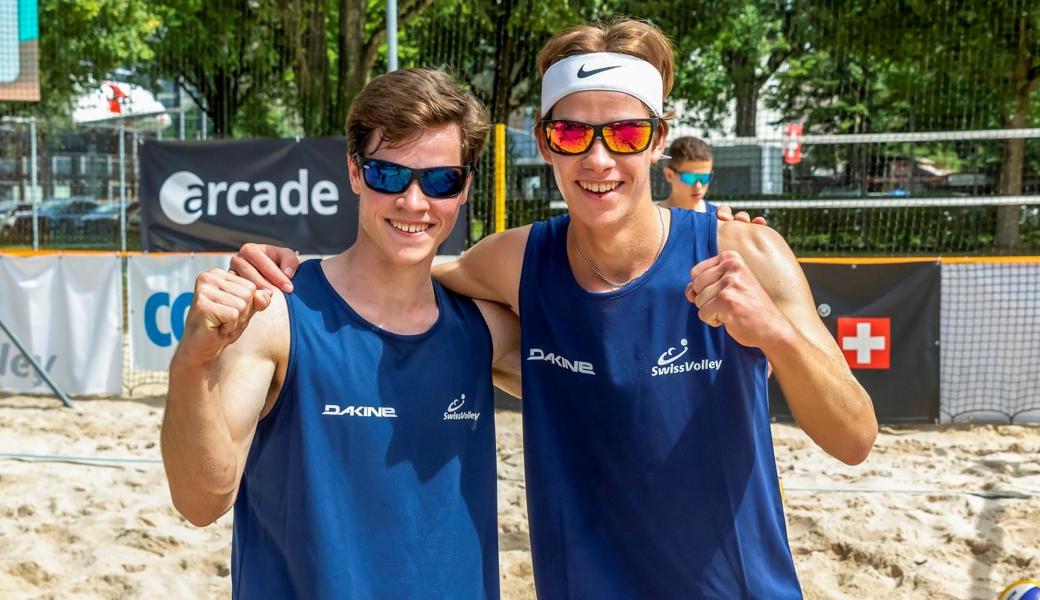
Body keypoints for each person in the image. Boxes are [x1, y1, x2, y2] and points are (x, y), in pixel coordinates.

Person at [233, 19, 878, 598]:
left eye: (625, 132)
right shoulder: (517, 264)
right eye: (573, 132)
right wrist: (294, 268)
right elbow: (402, 269)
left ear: (658, 141)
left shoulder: (747, 253)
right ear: (545, 143)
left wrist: (774, 335)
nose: (598, 158)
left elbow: (854, 439)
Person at [160, 68, 522, 599]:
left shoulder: (484, 329)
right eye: (389, 175)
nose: (414, 202)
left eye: (440, 180)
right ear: (355, 172)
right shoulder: (277, 315)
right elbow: (201, 501)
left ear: (465, 187)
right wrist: (192, 367)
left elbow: (612, 394)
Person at [660, 135, 714, 211]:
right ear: (669, 175)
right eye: (690, 178)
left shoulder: (718, 217)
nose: (698, 186)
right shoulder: (653, 220)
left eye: (705, 178)